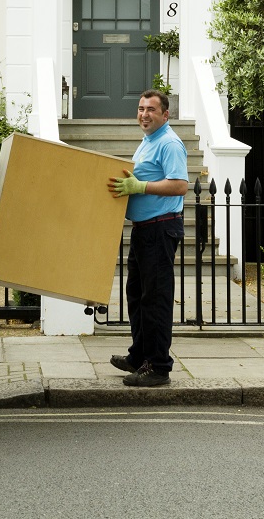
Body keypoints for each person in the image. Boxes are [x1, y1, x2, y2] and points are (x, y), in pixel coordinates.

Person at [106, 89, 188, 387]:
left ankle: (158, 367)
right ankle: (139, 356)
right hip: (144, 228)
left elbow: (179, 185)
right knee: (138, 296)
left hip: (160, 228)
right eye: (141, 109)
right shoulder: (148, 141)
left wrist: (139, 187)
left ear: (165, 115)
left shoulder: (169, 143)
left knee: (155, 299)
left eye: (151, 109)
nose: (144, 114)